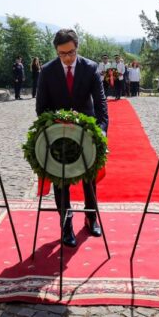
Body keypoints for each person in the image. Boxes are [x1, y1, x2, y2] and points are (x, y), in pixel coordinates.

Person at [35, 28, 109, 247]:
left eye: (71, 52)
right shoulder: (47, 71)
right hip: (59, 135)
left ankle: (91, 218)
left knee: (89, 179)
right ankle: (66, 225)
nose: (67, 58)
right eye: (62, 54)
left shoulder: (90, 68)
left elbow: (101, 105)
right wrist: (56, 125)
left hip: (86, 134)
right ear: (56, 51)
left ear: (77, 47)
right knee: (61, 181)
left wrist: (102, 131)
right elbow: (41, 108)